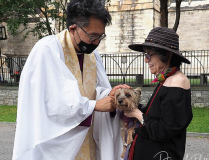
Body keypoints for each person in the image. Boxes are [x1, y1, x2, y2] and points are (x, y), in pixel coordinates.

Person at [12, 0, 127, 160]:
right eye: (92, 36)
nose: (96, 43)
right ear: (73, 29)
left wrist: (109, 94)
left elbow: (94, 91)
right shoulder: (48, 49)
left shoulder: (93, 56)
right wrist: (95, 105)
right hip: (56, 145)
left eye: (101, 37)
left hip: (88, 139)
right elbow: (52, 102)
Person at [123, 27, 193, 160]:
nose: (146, 60)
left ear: (167, 55)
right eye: (145, 55)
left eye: (150, 54)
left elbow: (164, 131)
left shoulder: (177, 82)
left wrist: (137, 114)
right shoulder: (168, 79)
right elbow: (157, 115)